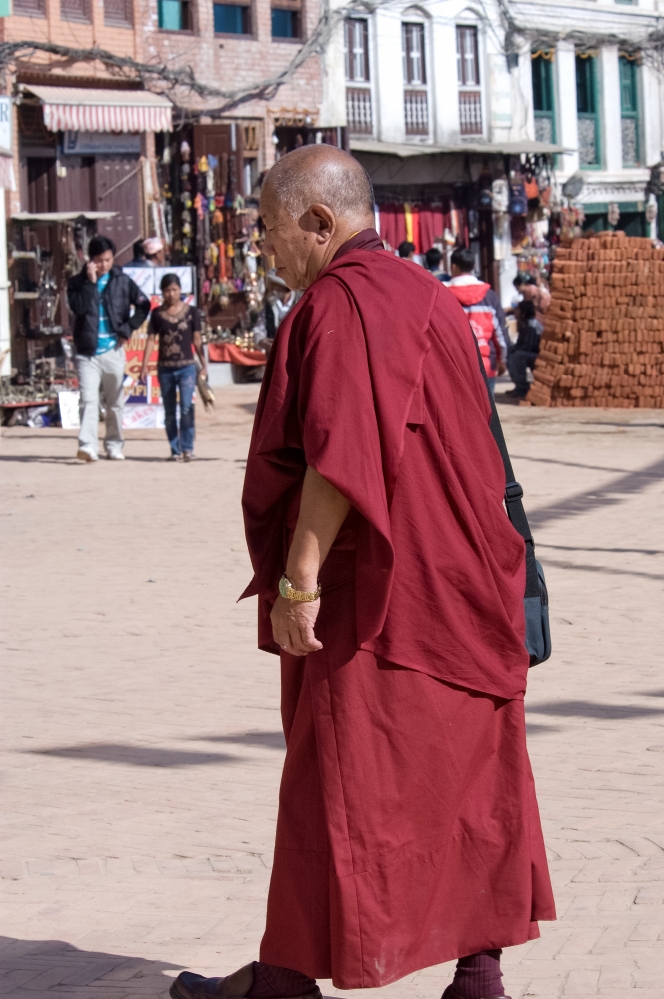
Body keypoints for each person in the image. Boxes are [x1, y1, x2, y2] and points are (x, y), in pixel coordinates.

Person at [170, 145, 554, 999]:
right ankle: (475, 975)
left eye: (272, 232)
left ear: (319, 221)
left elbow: (341, 456)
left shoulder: (343, 302)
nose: (269, 251)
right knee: (465, 777)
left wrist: (299, 579)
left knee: (336, 777)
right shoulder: (424, 293)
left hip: (381, 593)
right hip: (466, 578)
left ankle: (284, 981)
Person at [67, 235, 150, 462]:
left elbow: (144, 305)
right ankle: (87, 445)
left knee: (114, 402)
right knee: (88, 400)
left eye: (108, 259)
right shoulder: (76, 283)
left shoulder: (122, 280)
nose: (104, 264)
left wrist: (127, 329)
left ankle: (114, 444)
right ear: (90, 260)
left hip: (113, 351)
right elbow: (79, 308)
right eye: (100, 260)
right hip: (87, 353)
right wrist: (90, 283)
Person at [140, 273, 207, 461]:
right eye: (167, 290)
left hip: (187, 367)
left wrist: (203, 364)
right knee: (170, 412)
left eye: (174, 289)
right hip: (165, 369)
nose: (171, 293)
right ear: (162, 292)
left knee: (187, 408)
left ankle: (187, 448)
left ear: (180, 290)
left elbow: (197, 339)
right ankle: (175, 450)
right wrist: (144, 366)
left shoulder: (192, 312)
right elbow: (151, 340)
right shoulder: (156, 314)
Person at [445, 247, 508, 394]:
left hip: (455, 366)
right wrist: (502, 359)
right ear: (473, 267)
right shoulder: (490, 296)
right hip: (485, 365)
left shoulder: (443, 294)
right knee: (488, 414)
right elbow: (500, 333)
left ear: (453, 266)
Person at [506, 299, 543, 399]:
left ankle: (522, 388)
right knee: (509, 354)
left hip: (535, 354)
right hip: (527, 352)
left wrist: (514, 350)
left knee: (517, 356)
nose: (515, 312)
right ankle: (519, 386)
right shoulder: (523, 323)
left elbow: (530, 346)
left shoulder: (533, 324)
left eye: (518, 309)